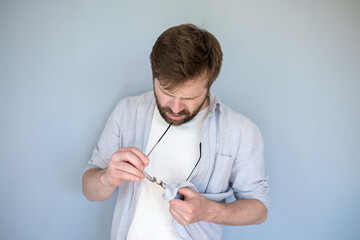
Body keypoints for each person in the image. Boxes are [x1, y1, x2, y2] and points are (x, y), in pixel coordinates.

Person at [82, 23, 269, 240]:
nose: (176, 107)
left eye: (190, 98)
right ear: (154, 76)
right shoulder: (127, 112)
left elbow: (259, 210)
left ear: (209, 85)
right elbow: (89, 189)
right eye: (166, 92)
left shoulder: (241, 132)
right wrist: (107, 178)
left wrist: (208, 211)